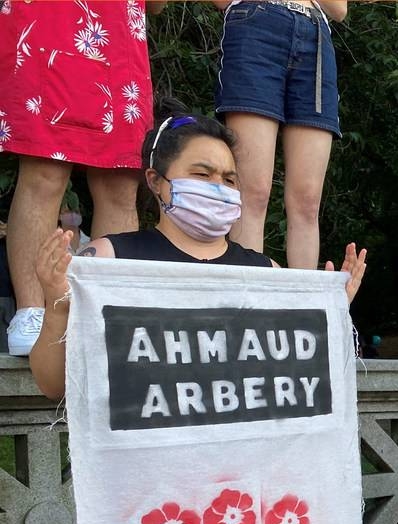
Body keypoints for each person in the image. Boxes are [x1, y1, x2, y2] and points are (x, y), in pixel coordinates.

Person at [28, 104, 367, 401]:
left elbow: (294, 381)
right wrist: (56, 308)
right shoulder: (109, 260)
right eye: (202, 174)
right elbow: (54, 387)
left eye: (230, 180)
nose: (218, 188)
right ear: (155, 180)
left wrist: (329, 314)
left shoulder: (267, 272)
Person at [1, 0, 164, 355]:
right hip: (48, 15)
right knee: (45, 171)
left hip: (118, 28)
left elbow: (156, 5)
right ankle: (33, 312)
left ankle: (108, 311)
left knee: (120, 182)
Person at [212, 0, 348, 270]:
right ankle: (250, 304)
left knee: (308, 200)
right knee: (253, 191)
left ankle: (305, 305)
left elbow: (339, 8)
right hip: (255, 22)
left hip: (314, 31)